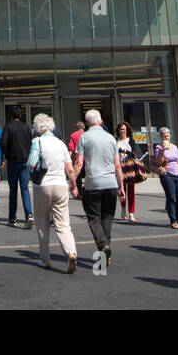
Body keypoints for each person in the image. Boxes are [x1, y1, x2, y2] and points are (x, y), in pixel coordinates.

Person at [27, 113, 78, 272]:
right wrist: (74, 185)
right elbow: (70, 168)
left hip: (42, 185)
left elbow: (31, 164)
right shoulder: (61, 144)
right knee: (63, 223)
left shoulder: (37, 142)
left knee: (42, 223)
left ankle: (45, 259)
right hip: (60, 184)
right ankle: (71, 252)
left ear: (37, 127)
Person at [73, 109, 123, 266]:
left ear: (87, 123)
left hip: (93, 183)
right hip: (111, 183)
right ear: (100, 121)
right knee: (107, 218)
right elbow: (117, 165)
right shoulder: (111, 138)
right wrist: (121, 186)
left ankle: (102, 246)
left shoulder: (84, 137)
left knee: (94, 218)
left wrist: (73, 182)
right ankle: (105, 251)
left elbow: (79, 163)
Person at [0, 107, 34, 228]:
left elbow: (3, 143)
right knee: (25, 188)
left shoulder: (8, 127)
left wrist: (7, 154)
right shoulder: (26, 127)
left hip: (13, 161)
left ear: (11, 116)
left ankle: (12, 217)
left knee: (13, 189)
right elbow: (31, 142)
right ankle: (29, 214)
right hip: (24, 161)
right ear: (20, 116)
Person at [154, 127, 178, 228]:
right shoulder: (158, 148)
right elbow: (158, 162)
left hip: (177, 173)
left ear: (170, 136)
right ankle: (173, 220)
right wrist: (163, 150)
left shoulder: (175, 147)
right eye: (164, 136)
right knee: (171, 197)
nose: (166, 138)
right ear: (161, 137)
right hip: (167, 174)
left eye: (167, 136)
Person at [113, 121, 140, 222]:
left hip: (129, 167)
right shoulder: (116, 140)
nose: (122, 131)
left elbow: (135, 154)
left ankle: (131, 213)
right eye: (121, 129)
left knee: (131, 190)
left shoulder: (131, 140)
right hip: (120, 166)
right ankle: (123, 208)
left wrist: (127, 152)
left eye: (124, 129)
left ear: (127, 130)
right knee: (122, 188)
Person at [68, 120, 86, 192]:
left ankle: (79, 192)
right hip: (87, 159)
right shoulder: (86, 135)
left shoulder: (73, 135)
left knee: (77, 176)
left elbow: (71, 148)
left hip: (78, 159)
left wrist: (68, 159)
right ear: (83, 127)